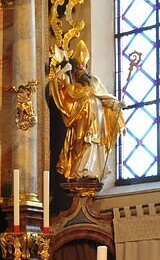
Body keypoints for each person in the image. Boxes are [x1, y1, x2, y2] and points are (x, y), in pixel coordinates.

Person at [47, 40, 125, 181]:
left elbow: (105, 99)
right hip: (80, 122)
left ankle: (92, 170)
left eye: (84, 66)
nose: (82, 68)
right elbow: (58, 86)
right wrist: (63, 71)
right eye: (79, 67)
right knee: (81, 143)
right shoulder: (72, 86)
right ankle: (79, 171)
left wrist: (116, 104)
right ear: (75, 71)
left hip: (97, 124)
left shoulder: (94, 82)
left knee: (94, 144)